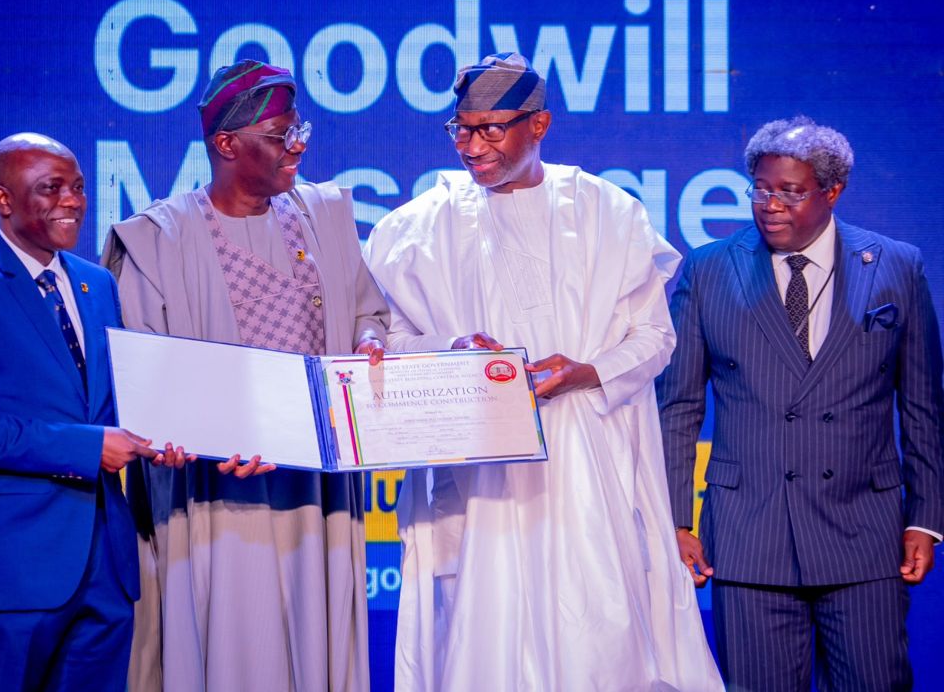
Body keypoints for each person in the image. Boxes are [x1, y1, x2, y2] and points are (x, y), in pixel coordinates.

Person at [364, 53, 722, 691]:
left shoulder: (609, 213)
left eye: (491, 130)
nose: (473, 146)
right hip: (481, 471)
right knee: (481, 633)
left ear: (540, 125)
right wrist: (454, 348)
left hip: (589, 465)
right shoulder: (419, 228)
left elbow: (655, 337)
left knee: (599, 636)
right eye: (462, 129)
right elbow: (389, 340)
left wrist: (586, 370)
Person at [101, 59, 388, 691]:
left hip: (315, 491)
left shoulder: (324, 216)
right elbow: (142, 380)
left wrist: (369, 340)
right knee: (232, 646)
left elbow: (369, 310)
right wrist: (184, 436)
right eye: (282, 135)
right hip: (216, 492)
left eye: (298, 128)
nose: (299, 145)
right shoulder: (158, 240)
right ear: (227, 145)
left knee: (317, 644)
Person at [658, 116, 944, 690]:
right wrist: (676, 522)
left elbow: (922, 406)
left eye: (789, 191)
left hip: (865, 530)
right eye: (760, 189)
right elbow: (679, 408)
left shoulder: (895, 265)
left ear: (831, 191)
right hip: (748, 535)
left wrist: (927, 519)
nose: (770, 204)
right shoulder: (711, 269)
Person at [0, 133, 169, 691]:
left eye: (78, 187)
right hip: (13, 568)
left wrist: (171, 434)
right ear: (3, 199)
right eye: (51, 188)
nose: (73, 201)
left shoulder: (98, 283)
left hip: (105, 566)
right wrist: (88, 447)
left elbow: (118, 399)